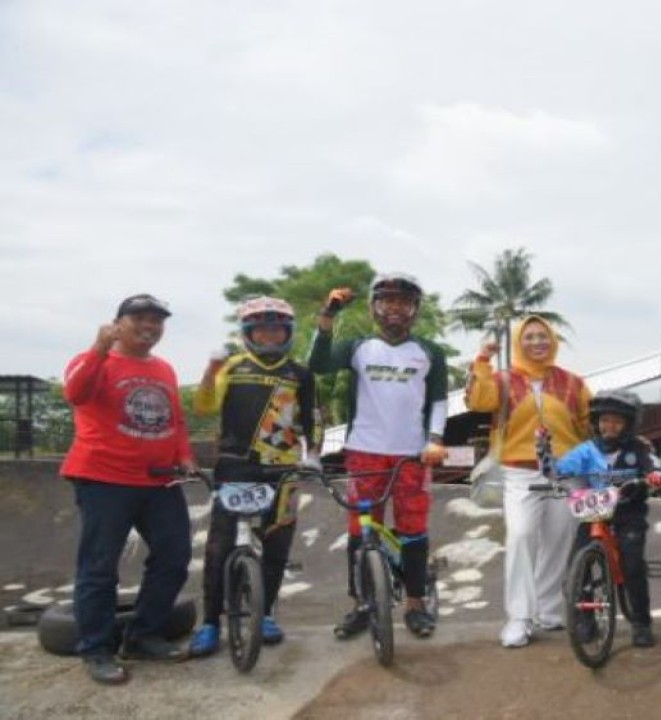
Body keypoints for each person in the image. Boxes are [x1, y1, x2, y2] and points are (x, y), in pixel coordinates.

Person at [61, 293, 194, 684]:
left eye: (156, 321)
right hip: (104, 479)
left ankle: (143, 635)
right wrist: (99, 349)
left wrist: (184, 454)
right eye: (139, 319)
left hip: (159, 479)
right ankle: (97, 648)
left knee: (175, 556)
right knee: (100, 569)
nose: (149, 327)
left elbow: (176, 420)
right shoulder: (94, 360)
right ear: (118, 323)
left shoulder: (165, 369)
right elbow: (75, 393)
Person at [308, 272, 448, 640]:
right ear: (374, 308)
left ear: (414, 310)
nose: (395, 308)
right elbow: (318, 364)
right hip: (364, 454)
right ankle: (361, 604)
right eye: (387, 301)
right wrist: (328, 315)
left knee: (413, 531)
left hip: (412, 457)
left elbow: (438, 401)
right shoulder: (358, 348)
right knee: (360, 532)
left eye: (404, 302)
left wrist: (434, 439)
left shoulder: (430, 352)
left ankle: (415, 604)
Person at [187, 297, 319, 658]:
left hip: (285, 468)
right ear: (248, 333)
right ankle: (210, 622)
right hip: (235, 466)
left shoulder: (300, 373)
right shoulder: (233, 365)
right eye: (261, 329)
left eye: (277, 329)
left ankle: (268, 613)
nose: (270, 336)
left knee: (277, 545)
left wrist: (315, 456)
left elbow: (313, 417)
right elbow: (204, 406)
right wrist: (212, 369)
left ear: (288, 333)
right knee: (219, 546)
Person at [464, 315, 592, 648]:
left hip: (567, 472)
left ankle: (548, 611)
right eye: (530, 337)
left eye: (543, 336)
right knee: (521, 536)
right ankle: (519, 617)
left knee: (558, 540)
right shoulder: (504, 380)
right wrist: (482, 360)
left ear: (553, 341)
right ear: (519, 342)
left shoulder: (574, 383)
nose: (537, 342)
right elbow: (478, 401)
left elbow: (587, 426)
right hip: (520, 471)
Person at [554, 389, 661, 648]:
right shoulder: (586, 449)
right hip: (594, 512)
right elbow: (561, 470)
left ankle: (641, 622)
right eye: (605, 420)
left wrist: (655, 477)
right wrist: (556, 477)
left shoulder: (639, 448)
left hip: (628, 513)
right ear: (596, 422)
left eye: (617, 421)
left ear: (629, 424)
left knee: (632, 566)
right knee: (577, 568)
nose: (610, 426)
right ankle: (585, 620)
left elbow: (656, 467)